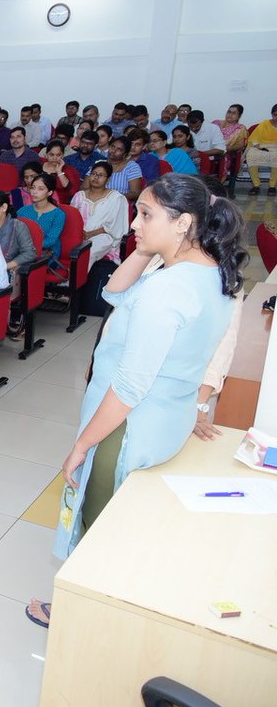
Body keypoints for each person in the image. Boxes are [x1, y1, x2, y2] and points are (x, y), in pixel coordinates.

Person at [25, 175, 246, 628]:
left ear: (183, 223)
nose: (133, 223)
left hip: (126, 426)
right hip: (165, 418)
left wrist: (82, 444)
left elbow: (129, 386)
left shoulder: (169, 288)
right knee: (120, 524)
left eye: (146, 215)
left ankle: (80, 620)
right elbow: (114, 293)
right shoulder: (209, 272)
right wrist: (148, 246)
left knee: (98, 523)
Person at [0, 190, 37, 302]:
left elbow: (30, 253)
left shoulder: (17, 226)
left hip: (5, 273)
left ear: (4, 207)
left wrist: (6, 266)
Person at [70, 161, 129, 268]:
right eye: (94, 174)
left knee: (86, 252)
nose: (96, 177)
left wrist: (90, 234)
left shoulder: (116, 198)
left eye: (101, 175)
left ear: (108, 179)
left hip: (103, 236)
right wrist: (80, 233)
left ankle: (75, 278)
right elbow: (72, 220)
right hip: (78, 234)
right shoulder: (79, 196)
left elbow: (115, 227)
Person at [18, 173, 66, 267]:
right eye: (33, 188)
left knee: (22, 265)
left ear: (50, 193)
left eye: (40, 189)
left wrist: (28, 248)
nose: (34, 192)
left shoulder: (58, 214)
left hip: (47, 252)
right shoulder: (22, 211)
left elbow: (51, 240)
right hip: (24, 250)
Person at [244, 103, 277, 196]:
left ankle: (272, 186)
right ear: (272, 114)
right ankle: (256, 185)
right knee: (251, 155)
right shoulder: (264, 123)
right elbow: (254, 138)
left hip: (275, 148)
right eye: (275, 115)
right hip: (260, 146)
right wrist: (259, 146)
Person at [104, 137, 143, 203]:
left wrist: (114, 198)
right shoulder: (100, 164)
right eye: (112, 147)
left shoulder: (132, 167)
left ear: (125, 154)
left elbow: (135, 193)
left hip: (120, 203)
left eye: (119, 149)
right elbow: (86, 187)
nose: (113, 151)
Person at [41, 139, 79, 204]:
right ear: (46, 154)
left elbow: (71, 191)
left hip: (59, 204)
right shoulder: (39, 166)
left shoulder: (69, 170)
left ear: (63, 155)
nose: (54, 158)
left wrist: (59, 171)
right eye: (51, 155)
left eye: (58, 155)